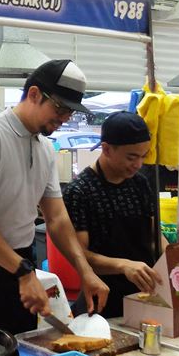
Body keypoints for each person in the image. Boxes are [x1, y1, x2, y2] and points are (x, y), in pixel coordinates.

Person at [0, 59, 109, 334]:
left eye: (70, 112)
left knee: (22, 348)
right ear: (34, 94)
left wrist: (85, 270)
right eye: (60, 108)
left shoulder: (45, 148)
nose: (64, 119)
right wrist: (23, 272)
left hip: (22, 257)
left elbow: (57, 218)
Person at [64, 111, 166, 318]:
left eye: (143, 156)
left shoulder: (140, 183)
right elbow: (80, 255)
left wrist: (175, 260)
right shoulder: (80, 191)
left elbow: (155, 237)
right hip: (103, 300)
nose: (138, 165)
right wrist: (123, 265)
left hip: (145, 296)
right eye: (131, 157)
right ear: (107, 149)